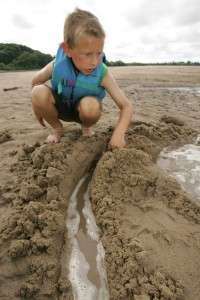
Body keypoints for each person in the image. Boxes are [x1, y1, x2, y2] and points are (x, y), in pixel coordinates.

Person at [31, 8, 133, 148]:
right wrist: (37, 109)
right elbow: (35, 81)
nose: (94, 62)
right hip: (60, 108)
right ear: (67, 49)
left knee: (90, 106)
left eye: (99, 53)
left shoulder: (102, 72)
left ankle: (86, 127)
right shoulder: (57, 65)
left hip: (85, 112)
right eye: (87, 54)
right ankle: (57, 128)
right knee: (37, 92)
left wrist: (118, 134)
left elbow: (126, 106)